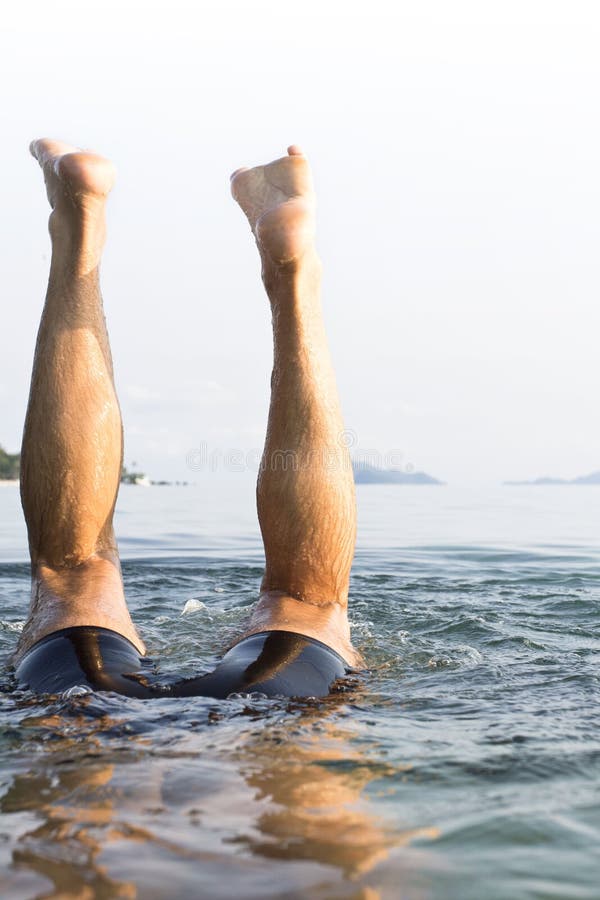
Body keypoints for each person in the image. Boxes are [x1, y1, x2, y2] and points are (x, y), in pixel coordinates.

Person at [13, 139, 363, 699]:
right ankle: (292, 279)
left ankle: (78, 231)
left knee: (78, 579)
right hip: (258, 725)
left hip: (91, 729)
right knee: (302, 605)